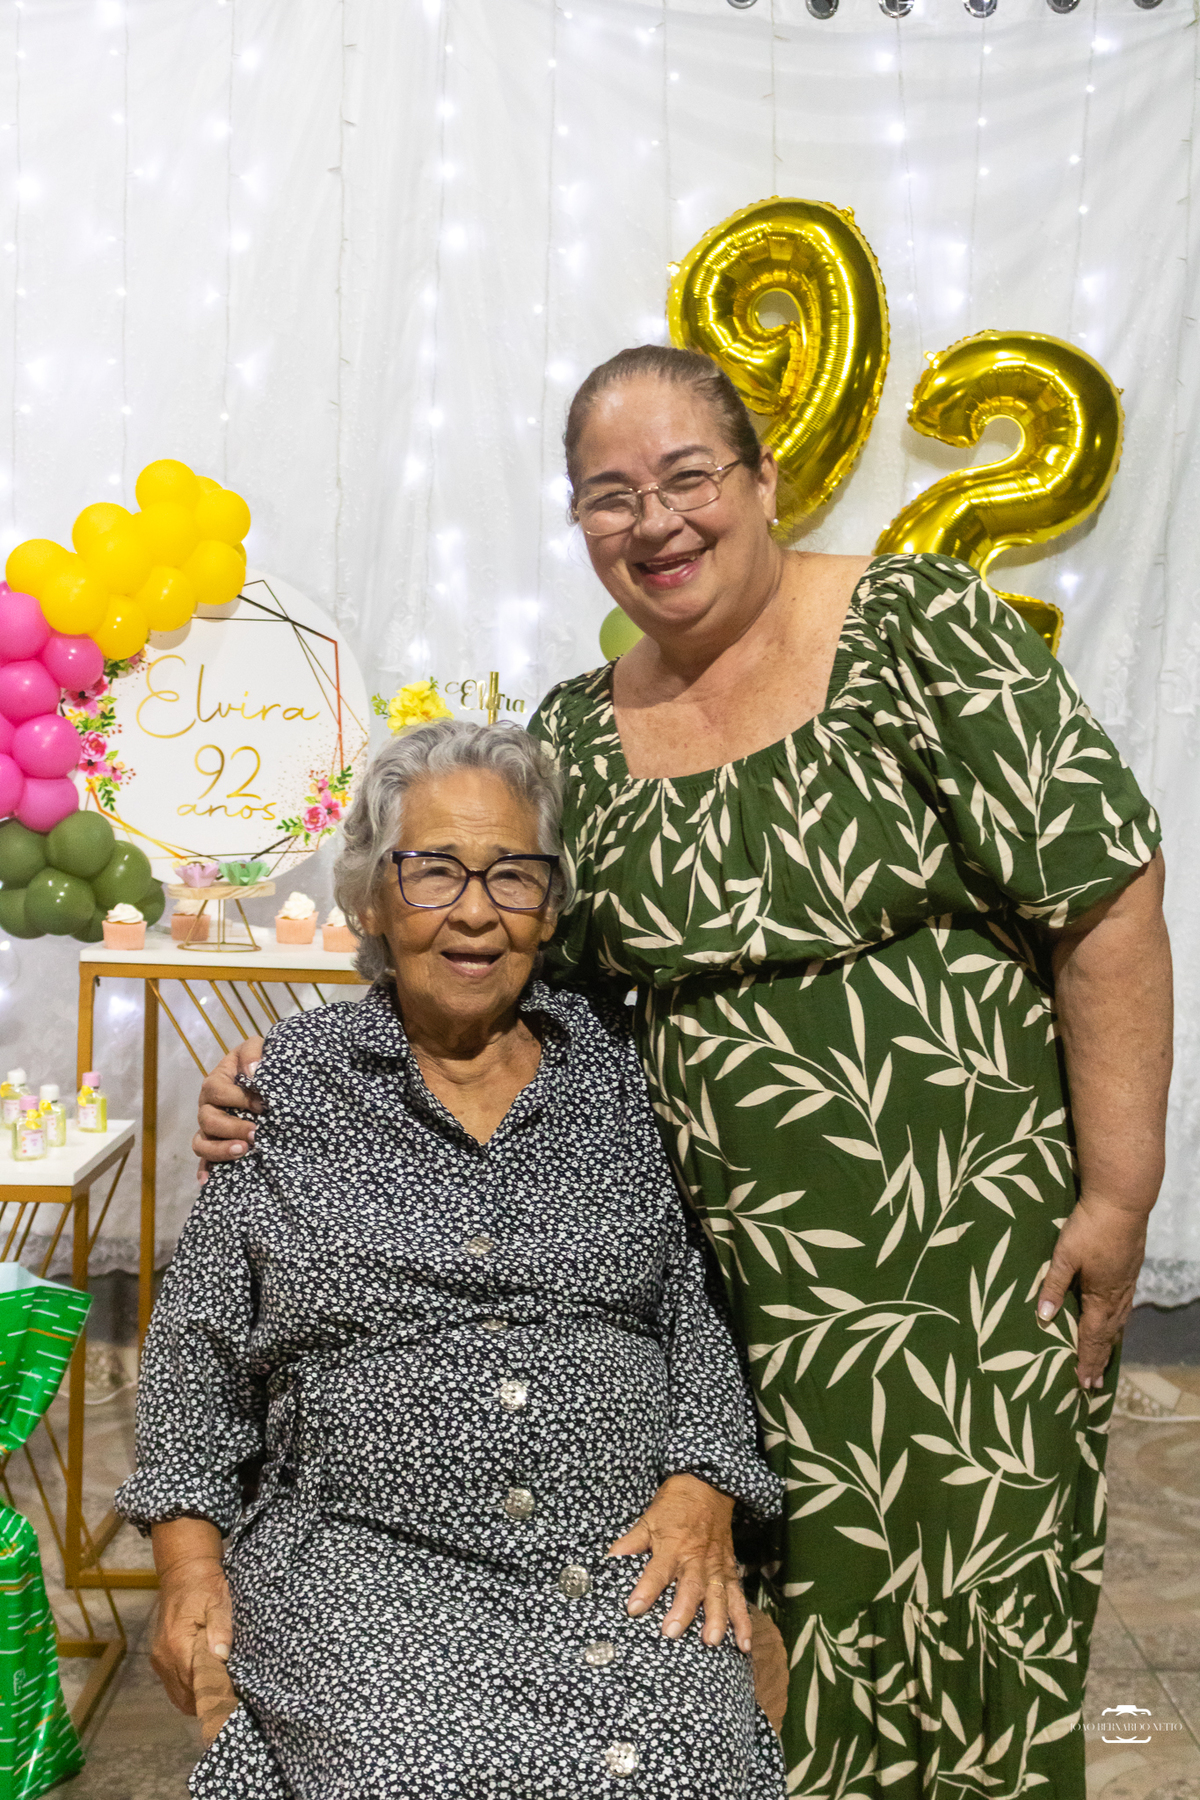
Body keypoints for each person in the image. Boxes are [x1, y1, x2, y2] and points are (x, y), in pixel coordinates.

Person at [196, 346, 1173, 1797]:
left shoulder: (920, 630)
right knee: (750, 1626)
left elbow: (1105, 897)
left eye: (688, 477)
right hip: (714, 1284)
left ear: (763, 479)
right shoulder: (580, 732)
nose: (654, 521)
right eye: (609, 495)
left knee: (970, 1610)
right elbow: (501, 957)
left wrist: (1120, 1192)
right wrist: (293, 1071)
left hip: (966, 1260)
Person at [122, 722, 787, 1799]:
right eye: (433, 871)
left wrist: (703, 1483)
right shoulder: (287, 1090)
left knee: (681, 1763)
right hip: (366, 1565)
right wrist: (190, 1564)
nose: (475, 910)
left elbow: (687, 1307)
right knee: (415, 1772)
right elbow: (196, 1354)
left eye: (512, 874)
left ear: (550, 906)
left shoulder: (621, 1080)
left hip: (617, 1552)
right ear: (372, 901)